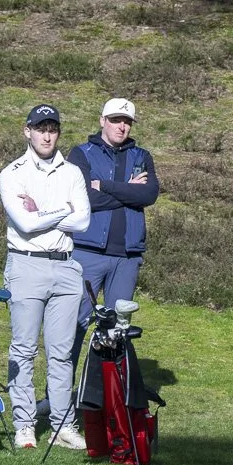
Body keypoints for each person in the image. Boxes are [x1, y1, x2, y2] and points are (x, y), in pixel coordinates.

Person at [0, 103, 91, 451]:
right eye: (40, 128)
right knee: (23, 349)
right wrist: (62, 210)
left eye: (52, 128)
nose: (47, 135)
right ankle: (24, 424)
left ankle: (62, 425)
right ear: (28, 131)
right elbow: (25, 224)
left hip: (66, 267)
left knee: (61, 353)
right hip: (26, 265)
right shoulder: (13, 173)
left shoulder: (72, 173)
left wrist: (44, 212)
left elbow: (83, 222)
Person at [65, 97, 160, 323]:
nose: (122, 126)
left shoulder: (141, 156)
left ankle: (106, 361)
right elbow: (86, 199)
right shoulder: (81, 154)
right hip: (87, 253)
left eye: (127, 121)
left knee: (117, 328)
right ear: (102, 121)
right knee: (76, 323)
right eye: (116, 120)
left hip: (127, 258)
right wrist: (129, 192)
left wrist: (106, 186)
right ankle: (66, 361)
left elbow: (149, 195)